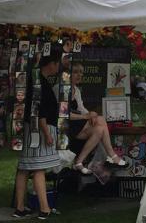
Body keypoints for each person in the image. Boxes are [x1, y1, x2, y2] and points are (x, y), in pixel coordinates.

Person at [12, 50, 61, 219]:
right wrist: (47, 133)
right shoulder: (41, 84)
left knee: (24, 168)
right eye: (56, 64)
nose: (58, 67)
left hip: (28, 128)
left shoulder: (33, 80)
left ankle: (20, 208)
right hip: (39, 130)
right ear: (51, 64)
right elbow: (40, 112)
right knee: (38, 167)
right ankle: (44, 208)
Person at [56, 63, 127, 175]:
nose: (79, 75)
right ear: (67, 74)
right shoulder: (61, 88)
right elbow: (63, 114)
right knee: (100, 120)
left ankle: (79, 162)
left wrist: (91, 114)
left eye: (81, 72)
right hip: (63, 127)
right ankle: (111, 155)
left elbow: (81, 108)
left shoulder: (76, 90)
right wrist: (85, 116)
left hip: (75, 124)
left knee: (99, 128)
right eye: (75, 72)